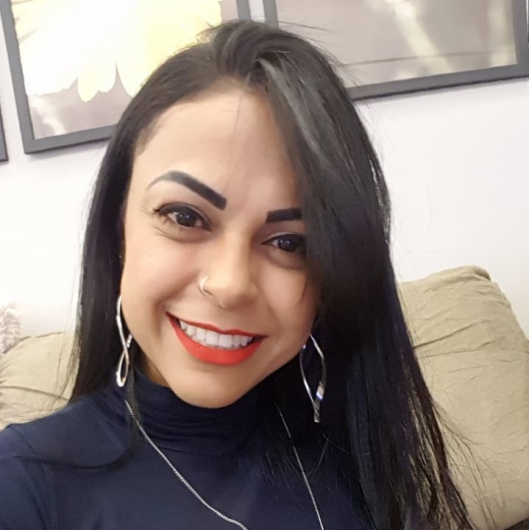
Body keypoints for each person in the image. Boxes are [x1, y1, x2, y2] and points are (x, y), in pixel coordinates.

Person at [0, 20, 474, 529]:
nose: (229, 284)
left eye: (290, 243)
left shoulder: (362, 451)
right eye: (185, 217)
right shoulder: (23, 485)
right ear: (118, 228)